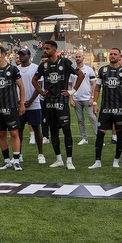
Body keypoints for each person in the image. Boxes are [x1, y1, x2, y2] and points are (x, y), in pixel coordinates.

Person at [32, 39, 84, 170]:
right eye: (44, 48)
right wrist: (42, 92)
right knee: (53, 131)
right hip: (49, 103)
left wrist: (72, 91)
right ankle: (59, 159)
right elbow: (34, 80)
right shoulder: (43, 66)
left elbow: (80, 74)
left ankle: (70, 161)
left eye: (47, 48)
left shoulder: (65, 62)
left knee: (66, 130)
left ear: (55, 50)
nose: (45, 51)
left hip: (62, 102)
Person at [89, 48, 122, 169]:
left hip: (120, 107)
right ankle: (97, 161)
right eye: (111, 54)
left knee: (120, 134)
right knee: (100, 134)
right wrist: (94, 103)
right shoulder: (102, 70)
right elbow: (97, 88)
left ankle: (116, 160)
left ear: (120, 57)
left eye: (115, 54)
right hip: (106, 108)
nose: (112, 56)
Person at [0, 45, 25, 171]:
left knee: (14, 133)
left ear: (3, 55)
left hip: (11, 106)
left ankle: (16, 160)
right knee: (1, 133)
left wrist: (22, 103)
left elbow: (21, 87)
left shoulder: (12, 69)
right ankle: (6, 160)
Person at [16, 48, 45, 164]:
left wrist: (31, 100)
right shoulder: (15, 69)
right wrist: (20, 101)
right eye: (20, 55)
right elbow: (14, 88)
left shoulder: (35, 68)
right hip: (20, 105)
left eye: (23, 54)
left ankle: (41, 154)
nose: (21, 56)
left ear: (29, 55)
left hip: (34, 104)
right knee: (19, 130)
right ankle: (19, 154)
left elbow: (39, 85)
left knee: (37, 128)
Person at [71, 51, 97, 145]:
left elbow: (93, 84)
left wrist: (92, 98)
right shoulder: (72, 70)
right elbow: (69, 85)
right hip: (76, 98)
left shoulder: (89, 69)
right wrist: (71, 98)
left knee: (92, 117)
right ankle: (84, 138)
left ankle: (98, 137)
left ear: (83, 58)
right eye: (76, 57)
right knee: (80, 120)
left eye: (79, 56)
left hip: (87, 98)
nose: (78, 58)